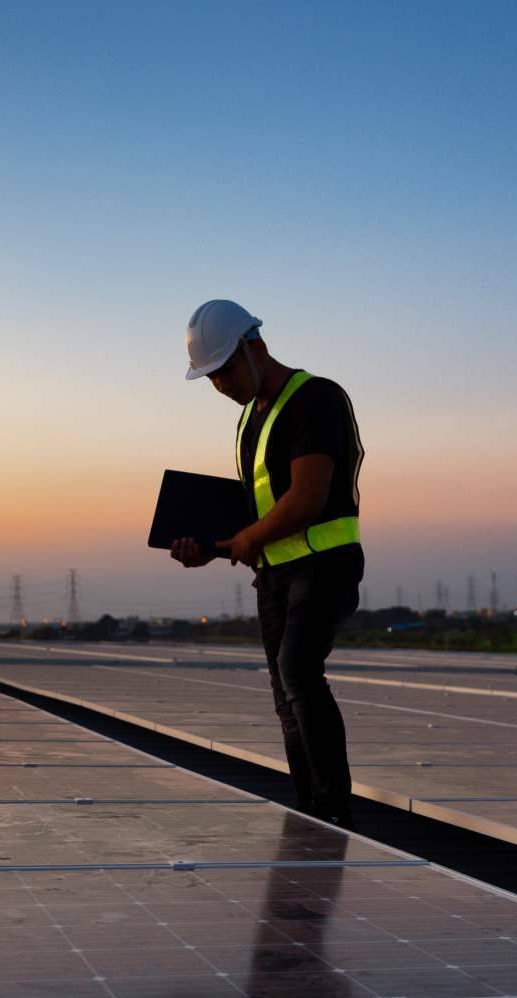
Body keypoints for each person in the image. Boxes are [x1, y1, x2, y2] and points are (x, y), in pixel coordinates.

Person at [170, 299, 366, 829]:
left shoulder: (315, 399)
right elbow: (255, 509)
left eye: (225, 370)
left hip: (325, 563)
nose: (221, 386)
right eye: (210, 378)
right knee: (285, 693)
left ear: (254, 346)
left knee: (298, 670)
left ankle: (333, 811)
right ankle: (311, 813)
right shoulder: (249, 420)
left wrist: (250, 537)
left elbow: (306, 498)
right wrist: (207, 548)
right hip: (275, 573)